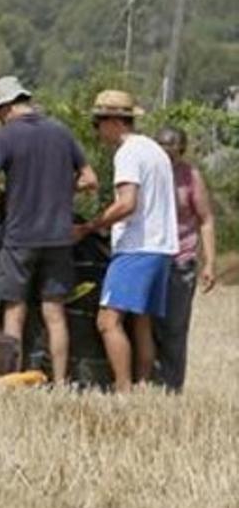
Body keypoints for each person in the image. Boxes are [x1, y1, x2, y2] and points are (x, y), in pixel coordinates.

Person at [0, 76, 98, 384]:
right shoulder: (61, 132)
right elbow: (90, 179)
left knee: (15, 311)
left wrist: (6, 196)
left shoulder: (6, 137)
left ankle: (14, 378)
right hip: (59, 237)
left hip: (20, 237)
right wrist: (63, 191)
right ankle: (60, 382)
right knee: (55, 313)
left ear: (4, 107)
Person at [72, 91, 179, 393]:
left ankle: (123, 389)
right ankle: (143, 386)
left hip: (137, 248)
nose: (96, 130)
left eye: (98, 122)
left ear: (115, 121)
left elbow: (127, 203)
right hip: (160, 248)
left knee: (108, 321)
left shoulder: (128, 153)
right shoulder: (155, 150)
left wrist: (90, 227)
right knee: (141, 321)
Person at [151, 125, 218, 392]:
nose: (167, 157)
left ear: (182, 151)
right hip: (150, 257)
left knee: (174, 329)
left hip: (181, 258)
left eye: (173, 152)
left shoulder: (191, 176)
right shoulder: (148, 171)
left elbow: (206, 220)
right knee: (146, 326)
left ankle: (171, 387)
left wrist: (210, 262)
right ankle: (146, 384)